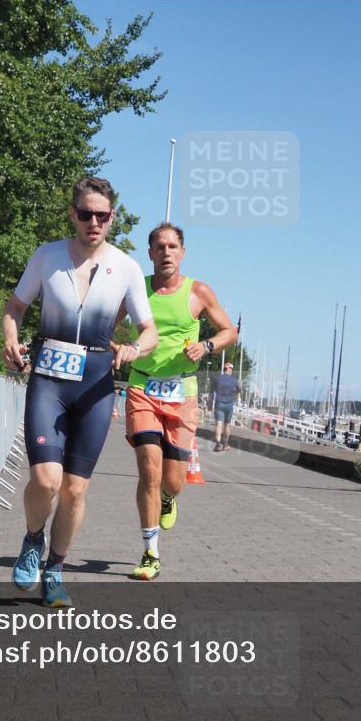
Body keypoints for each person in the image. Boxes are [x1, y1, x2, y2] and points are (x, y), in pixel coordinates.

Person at [1, 176, 158, 606]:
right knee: (45, 479)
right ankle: (33, 538)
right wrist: (10, 340)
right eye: (86, 214)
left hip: (95, 383)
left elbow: (150, 332)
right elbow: (16, 307)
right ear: (73, 214)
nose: (94, 222)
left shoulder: (125, 268)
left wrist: (131, 348)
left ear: (111, 218)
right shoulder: (47, 256)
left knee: (75, 489)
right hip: (49, 378)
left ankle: (55, 568)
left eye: (102, 216)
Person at [120, 223, 237, 580]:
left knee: (173, 481)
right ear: (150, 252)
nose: (166, 252)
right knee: (148, 468)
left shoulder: (198, 292)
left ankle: (169, 497)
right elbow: (106, 324)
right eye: (160, 246)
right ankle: (150, 552)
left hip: (181, 393)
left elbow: (229, 331)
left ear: (182, 253)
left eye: (173, 246)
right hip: (142, 386)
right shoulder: (136, 289)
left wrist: (206, 345)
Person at [210, 361, 241, 452]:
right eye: (231, 369)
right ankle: (225, 445)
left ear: (224, 369)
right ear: (230, 369)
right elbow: (239, 390)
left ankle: (218, 444)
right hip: (229, 404)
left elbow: (211, 392)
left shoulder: (217, 379)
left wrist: (209, 405)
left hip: (219, 403)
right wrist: (234, 392)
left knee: (219, 424)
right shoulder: (234, 380)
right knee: (227, 425)